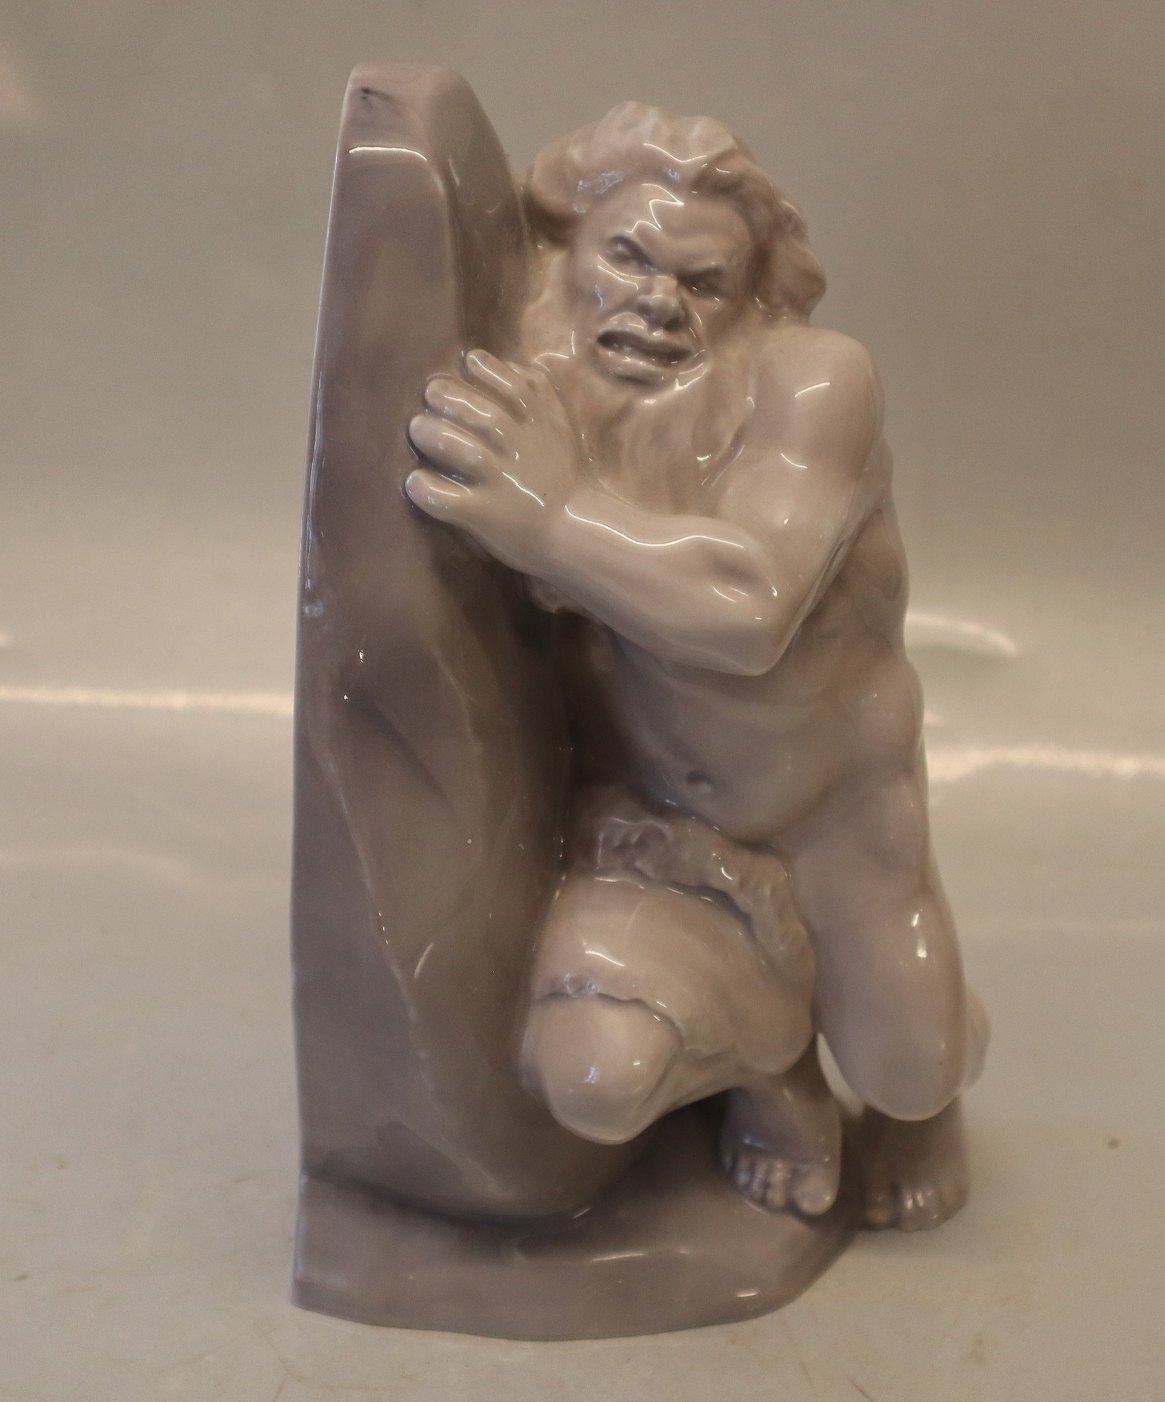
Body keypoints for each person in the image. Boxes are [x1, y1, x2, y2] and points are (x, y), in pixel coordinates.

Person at [405, 104, 987, 1230]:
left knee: (913, 1070)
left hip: (832, 816)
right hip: (650, 824)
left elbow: (749, 607)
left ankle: (918, 1098)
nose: (656, 303)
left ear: (750, 298)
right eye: (625, 257)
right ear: (563, 258)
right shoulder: (531, 396)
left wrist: (554, 518)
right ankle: (772, 1076)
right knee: (593, 1074)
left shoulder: (813, 385)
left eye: (703, 282)